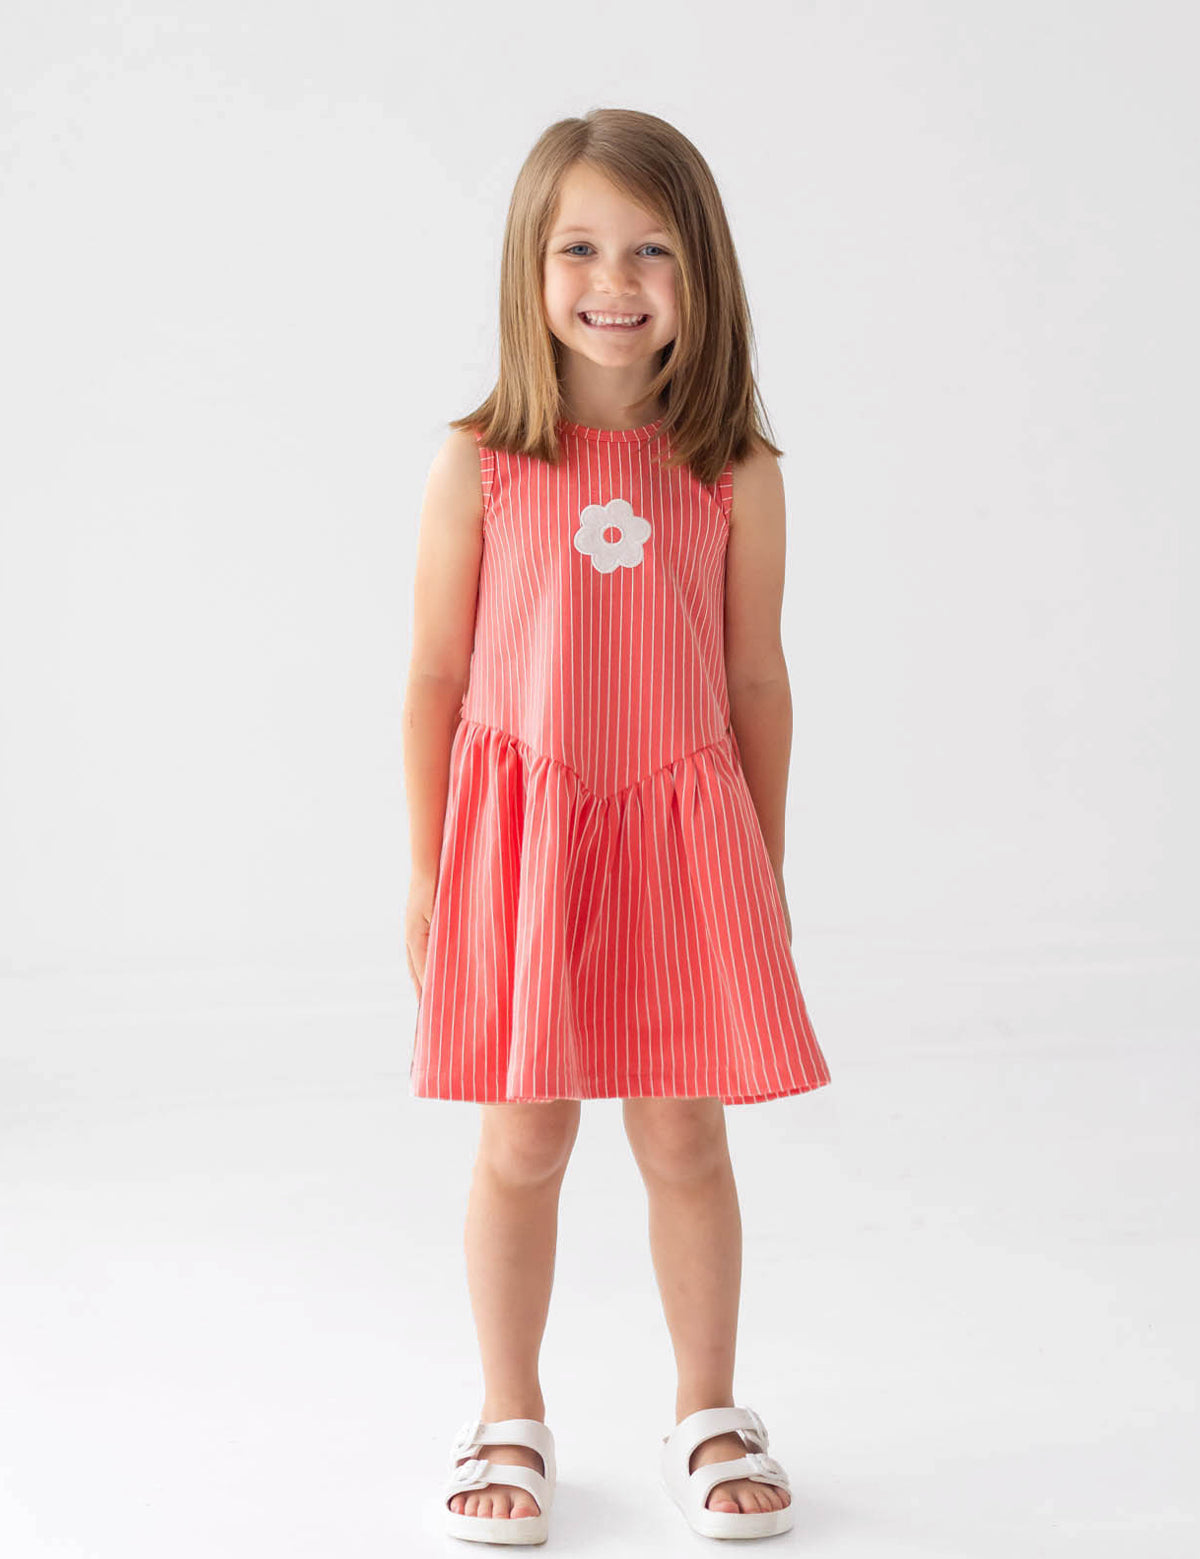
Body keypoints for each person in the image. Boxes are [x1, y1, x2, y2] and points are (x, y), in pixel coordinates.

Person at [401, 107, 832, 1545]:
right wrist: (427, 866)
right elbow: (436, 678)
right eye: (579, 246)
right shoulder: (483, 463)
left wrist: (759, 869)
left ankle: (709, 1407)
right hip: (524, 844)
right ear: (531, 270)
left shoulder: (733, 474)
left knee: (685, 1134)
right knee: (524, 1137)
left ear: (700, 272)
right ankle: (507, 1414)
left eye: (651, 249)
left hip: (677, 836)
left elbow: (758, 677)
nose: (615, 279)